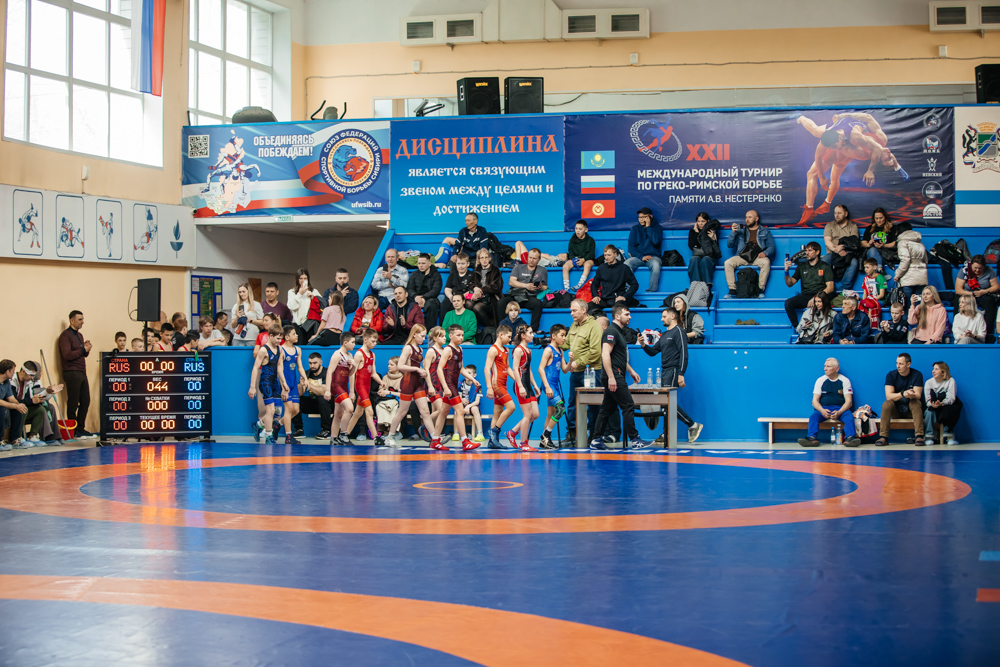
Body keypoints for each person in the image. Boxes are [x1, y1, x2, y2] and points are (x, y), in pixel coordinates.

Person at [795, 112, 908, 224]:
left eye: (835, 146)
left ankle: (820, 206)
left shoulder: (857, 138)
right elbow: (818, 156)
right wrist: (821, 177)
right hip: (847, 137)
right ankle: (801, 118)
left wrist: (871, 170)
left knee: (832, 173)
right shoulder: (828, 137)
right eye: (832, 147)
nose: (835, 148)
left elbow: (880, 149)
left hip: (852, 143)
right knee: (816, 131)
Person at [589, 304, 649, 450]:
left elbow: (619, 357)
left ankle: (596, 439)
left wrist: (631, 371)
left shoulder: (618, 332)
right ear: (617, 316)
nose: (630, 317)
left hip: (615, 373)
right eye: (627, 314)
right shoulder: (611, 331)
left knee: (606, 409)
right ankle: (635, 439)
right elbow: (605, 354)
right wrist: (611, 377)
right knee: (628, 405)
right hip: (614, 375)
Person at [639, 307, 703, 443]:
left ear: (672, 316)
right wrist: (643, 344)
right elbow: (653, 352)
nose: (661, 319)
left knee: (667, 402)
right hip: (665, 371)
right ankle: (667, 433)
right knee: (664, 403)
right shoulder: (664, 335)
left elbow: (684, 353)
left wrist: (681, 374)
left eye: (664, 316)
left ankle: (692, 425)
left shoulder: (679, 331)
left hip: (673, 370)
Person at [383, 326, 441, 449]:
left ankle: (435, 439)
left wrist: (421, 371)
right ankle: (390, 437)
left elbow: (416, 366)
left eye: (425, 336)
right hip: (408, 383)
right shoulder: (408, 348)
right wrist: (417, 369)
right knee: (402, 412)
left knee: (425, 411)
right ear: (414, 334)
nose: (424, 339)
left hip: (417, 383)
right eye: (422, 336)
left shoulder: (420, 349)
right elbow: (400, 366)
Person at [432, 324, 481, 451]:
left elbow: (461, 369)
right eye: (458, 335)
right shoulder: (448, 350)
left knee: (443, 413)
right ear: (451, 336)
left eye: (462, 335)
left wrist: (472, 379)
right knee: (460, 411)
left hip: (452, 384)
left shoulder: (460, 349)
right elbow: (439, 369)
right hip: (449, 385)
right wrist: (445, 387)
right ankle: (465, 441)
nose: (461, 337)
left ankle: (435, 440)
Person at [562, 299, 603, 446]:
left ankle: (594, 434)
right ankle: (572, 433)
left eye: (574, 311)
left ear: (584, 310)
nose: (571, 313)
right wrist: (553, 343)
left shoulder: (594, 326)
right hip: (576, 372)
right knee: (572, 403)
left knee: (593, 405)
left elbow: (596, 352)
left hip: (592, 372)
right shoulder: (574, 325)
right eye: (571, 311)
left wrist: (578, 362)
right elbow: (566, 344)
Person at [798, 357, 860, 447]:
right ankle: (811, 438)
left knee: (849, 417)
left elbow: (849, 402)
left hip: (840, 409)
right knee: (813, 417)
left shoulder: (844, 380)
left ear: (836, 369)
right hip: (823, 408)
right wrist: (822, 411)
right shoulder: (820, 380)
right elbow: (814, 401)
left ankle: (850, 438)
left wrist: (839, 412)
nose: (825, 369)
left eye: (828, 366)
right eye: (825, 366)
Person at [58, 310, 96, 438]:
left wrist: (87, 349)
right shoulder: (65, 335)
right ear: (72, 320)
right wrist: (82, 349)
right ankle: (72, 429)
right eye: (80, 319)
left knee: (85, 400)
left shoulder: (79, 336)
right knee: (73, 402)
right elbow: (67, 355)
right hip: (72, 371)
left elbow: (82, 354)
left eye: (83, 319)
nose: (82, 322)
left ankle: (80, 428)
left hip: (81, 371)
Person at [344, 328, 386, 445]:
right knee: (369, 411)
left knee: (358, 413)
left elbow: (373, 373)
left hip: (367, 387)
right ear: (365, 340)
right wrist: (352, 391)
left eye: (376, 341)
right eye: (373, 341)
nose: (375, 344)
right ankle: (376, 438)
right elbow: (352, 373)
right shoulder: (359, 354)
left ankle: (344, 435)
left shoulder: (372, 354)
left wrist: (381, 382)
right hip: (360, 386)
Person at [484, 325, 521, 450]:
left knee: (497, 413)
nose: (510, 340)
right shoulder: (493, 350)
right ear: (501, 335)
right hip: (496, 384)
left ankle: (492, 441)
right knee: (511, 407)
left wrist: (517, 380)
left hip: (503, 383)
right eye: (508, 337)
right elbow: (486, 369)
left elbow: (508, 367)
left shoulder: (506, 350)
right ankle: (494, 431)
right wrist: (489, 387)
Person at [9, 361, 63, 447]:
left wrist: (46, 393)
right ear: (23, 371)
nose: (32, 378)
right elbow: (14, 400)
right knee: (23, 408)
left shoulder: (28, 382)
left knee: (40, 409)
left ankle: (32, 436)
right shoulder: (12, 380)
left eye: (33, 376)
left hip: (21, 406)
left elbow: (29, 399)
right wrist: (32, 401)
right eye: (31, 375)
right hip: (12, 407)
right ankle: (17, 437)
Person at [876, 352, 924, 447]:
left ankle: (919, 436)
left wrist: (910, 395)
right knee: (887, 403)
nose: (898, 366)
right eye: (897, 363)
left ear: (908, 364)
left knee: (916, 402)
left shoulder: (917, 375)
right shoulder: (891, 375)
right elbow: (889, 396)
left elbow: (918, 395)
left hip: (911, 410)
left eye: (901, 364)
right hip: (896, 410)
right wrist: (902, 394)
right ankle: (883, 437)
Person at [248, 325, 286, 445]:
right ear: (271, 336)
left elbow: (279, 367)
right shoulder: (263, 350)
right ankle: (269, 436)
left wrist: (284, 383)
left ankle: (258, 424)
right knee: (270, 410)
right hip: (266, 382)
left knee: (278, 411)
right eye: (278, 338)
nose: (280, 341)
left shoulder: (279, 349)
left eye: (281, 338)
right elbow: (255, 368)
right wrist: (252, 387)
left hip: (275, 382)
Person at [505, 325, 540, 451]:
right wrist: (520, 386)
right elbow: (515, 369)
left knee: (535, 414)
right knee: (527, 414)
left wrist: (535, 385)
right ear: (523, 336)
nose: (533, 335)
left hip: (528, 385)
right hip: (520, 385)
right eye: (530, 333)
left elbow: (528, 370)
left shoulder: (528, 350)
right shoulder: (518, 350)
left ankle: (512, 432)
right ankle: (523, 443)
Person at [783, 242, 835, 326]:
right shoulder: (801, 266)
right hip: (806, 295)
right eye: (806, 250)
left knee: (820, 304)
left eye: (810, 250)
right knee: (788, 303)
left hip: (821, 296)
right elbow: (790, 283)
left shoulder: (825, 266)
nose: (807, 253)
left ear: (817, 252)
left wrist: (815, 298)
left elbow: (830, 287)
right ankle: (798, 328)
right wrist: (786, 271)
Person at [724, 210, 774, 297]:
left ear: (756, 219)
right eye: (746, 217)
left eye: (750, 217)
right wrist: (733, 233)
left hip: (757, 257)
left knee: (766, 262)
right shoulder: (741, 231)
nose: (747, 219)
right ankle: (732, 290)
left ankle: (760, 290)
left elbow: (771, 247)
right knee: (728, 263)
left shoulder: (765, 231)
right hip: (742, 256)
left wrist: (765, 253)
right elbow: (729, 245)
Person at [537, 324, 569, 449]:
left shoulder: (560, 351)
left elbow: (565, 370)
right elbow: (540, 369)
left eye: (565, 335)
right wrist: (547, 387)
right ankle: (545, 436)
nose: (564, 338)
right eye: (562, 335)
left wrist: (571, 361)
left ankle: (544, 441)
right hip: (549, 384)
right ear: (553, 336)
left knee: (551, 413)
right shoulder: (548, 350)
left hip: (554, 385)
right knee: (561, 409)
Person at [500, 247, 547, 331]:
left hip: (529, 297)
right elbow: (511, 282)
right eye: (530, 257)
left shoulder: (542, 270)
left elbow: (545, 287)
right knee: (501, 302)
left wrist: (541, 287)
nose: (531, 260)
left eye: (534, 258)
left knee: (538, 304)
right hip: (515, 295)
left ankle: (533, 330)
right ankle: (502, 328)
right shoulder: (518, 267)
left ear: (539, 259)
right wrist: (526, 286)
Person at [323, 332, 357, 446]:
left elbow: (350, 374)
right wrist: (327, 390)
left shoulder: (350, 356)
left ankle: (333, 438)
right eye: (352, 342)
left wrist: (354, 366)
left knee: (338, 413)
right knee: (350, 408)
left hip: (343, 386)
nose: (354, 345)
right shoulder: (337, 355)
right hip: (336, 386)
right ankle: (343, 434)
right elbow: (329, 372)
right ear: (345, 342)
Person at [954, 254, 999, 337]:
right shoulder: (964, 270)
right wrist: (970, 294)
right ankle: (959, 333)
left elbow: (996, 286)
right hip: (968, 295)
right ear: (971, 265)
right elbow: (958, 289)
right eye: (975, 268)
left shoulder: (989, 270)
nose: (977, 270)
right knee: (958, 300)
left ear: (984, 267)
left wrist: (984, 291)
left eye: (980, 268)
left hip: (983, 295)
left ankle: (986, 333)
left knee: (990, 301)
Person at [275, 325, 306, 444]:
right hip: (286, 384)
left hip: (293, 383)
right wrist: (283, 385)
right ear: (287, 337)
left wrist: (305, 378)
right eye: (294, 334)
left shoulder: (298, 350)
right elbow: (279, 369)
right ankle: (288, 436)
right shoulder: (281, 350)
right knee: (288, 410)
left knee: (296, 410)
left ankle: (278, 424)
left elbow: (300, 367)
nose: (297, 335)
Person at [292, 352, 333, 439]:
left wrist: (309, 385)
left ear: (321, 362)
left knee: (322, 399)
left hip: (328, 404)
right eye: (310, 363)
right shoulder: (306, 373)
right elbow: (300, 393)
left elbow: (323, 392)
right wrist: (301, 385)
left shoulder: (327, 373)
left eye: (315, 363)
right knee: (295, 399)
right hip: (313, 403)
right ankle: (299, 429)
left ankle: (326, 430)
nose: (312, 366)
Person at [624, 207, 664, 292]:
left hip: (653, 257)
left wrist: (648, 227)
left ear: (650, 217)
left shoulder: (657, 228)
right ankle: (628, 289)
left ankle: (652, 290)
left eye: (644, 217)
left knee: (656, 265)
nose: (641, 219)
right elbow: (631, 247)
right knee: (626, 264)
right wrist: (641, 257)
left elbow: (656, 241)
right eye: (639, 217)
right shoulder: (635, 229)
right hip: (639, 257)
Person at [923, 361, 962, 446]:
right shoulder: (929, 382)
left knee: (949, 410)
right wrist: (933, 405)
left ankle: (949, 436)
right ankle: (929, 437)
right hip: (933, 406)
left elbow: (951, 398)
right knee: (929, 412)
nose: (933, 371)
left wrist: (941, 403)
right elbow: (927, 401)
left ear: (943, 372)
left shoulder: (950, 381)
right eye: (933, 369)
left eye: (936, 369)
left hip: (945, 405)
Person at [823, 204, 861, 290]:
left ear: (846, 214)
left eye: (839, 213)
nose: (837, 215)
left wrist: (843, 249)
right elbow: (827, 242)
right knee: (823, 262)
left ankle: (844, 289)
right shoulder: (829, 225)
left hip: (848, 253)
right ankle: (828, 288)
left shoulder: (853, 226)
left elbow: (854, 243)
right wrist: (837, 250)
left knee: (854, 263)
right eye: (835, 213)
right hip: (832, 253)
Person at [591, 244, 639, 311]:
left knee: (618, 308)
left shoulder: (624, 268)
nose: (606, 257)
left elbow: (634, 284)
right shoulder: (601, 268)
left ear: (615, 254)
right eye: (605, 255)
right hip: (605, 299)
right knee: (589, 306)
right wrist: (595, 296)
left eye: (609, 255)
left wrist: (625, 296)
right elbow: (594, 284)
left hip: (618, 299)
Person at [407, 253, 443, 329]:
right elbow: (409, 289)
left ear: (429, 264)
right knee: (405, 302)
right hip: (415, 297)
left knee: (432, 304)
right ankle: (410, 330)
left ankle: (430, 331)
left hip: (429, 298)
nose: (421, 265)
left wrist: (424, 298)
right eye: (419, 263)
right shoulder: (414, 274)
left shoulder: (436, 275)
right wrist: (415, 297)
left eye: (423, 263)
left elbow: (435, 290)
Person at [470, 247, 504, 327]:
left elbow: (496, 286)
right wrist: (475, 288)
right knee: (468, 304)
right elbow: (472, 283)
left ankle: (490, 328)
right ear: (479, 260)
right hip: (480, 297)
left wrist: (481, 290)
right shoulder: (477, 270)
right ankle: (471, 328)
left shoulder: (495, 270)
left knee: (477, 308)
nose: (484, 260)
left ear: (489, 258)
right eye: (482, 258)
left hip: (492, 299)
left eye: (486, 257)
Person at [894, 230, 928, 304]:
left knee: (907, 305)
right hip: (921, 277)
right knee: (918, 305)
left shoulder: (902, 243)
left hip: (908, 278)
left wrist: (898, 274)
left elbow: (905, 260)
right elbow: (925, 261)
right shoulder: (920, 244)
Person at [287, 269, 323, 340]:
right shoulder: (292, 292)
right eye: (301, 278)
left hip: (311, 323)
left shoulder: (314, 291)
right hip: (298, 324)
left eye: (305, 278)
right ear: (297, 279)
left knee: (310, 344)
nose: (303, 280)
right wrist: (299, 294)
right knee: (299, 343)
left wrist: (313, 298)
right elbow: (292, 307)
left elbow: (322, 307)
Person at [0, 360, 27, 449]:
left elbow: (11, 398)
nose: (14, 373)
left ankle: (14, 438)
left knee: (17, 409)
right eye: (13, 371)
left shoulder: (6, 382)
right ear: (7, 371)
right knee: (1, 408)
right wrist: (15, 406)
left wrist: (19, 405)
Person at [688, 212, 720, 286]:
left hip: (710, 257)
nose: (700, 224)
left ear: (708, 221)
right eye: (698, 221)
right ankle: (695, 285)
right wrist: (696, 233)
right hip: (697, 255)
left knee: (705, 260)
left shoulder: (711, 231)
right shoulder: (692, 232)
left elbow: (716, 250)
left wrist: (713, 239)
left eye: (703, 221)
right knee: (694, 259)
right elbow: (691, 246)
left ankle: (707, 285)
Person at [563, 219, 596, 290]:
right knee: (565, 266)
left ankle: (579, 285)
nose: (577, 231)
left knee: (587, 265)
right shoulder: (572, 240)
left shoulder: (591, 240)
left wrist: (583, 259)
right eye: (576, 228)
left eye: (580, 229)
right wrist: (575, 260)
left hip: (586, 259)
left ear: (586, 230)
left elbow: (591, 254)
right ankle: (566, 289)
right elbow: (570, 253)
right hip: (575, 259)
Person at [458, 365, 484, 442]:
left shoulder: (477, 385)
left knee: (475, 408)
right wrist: (461, 399)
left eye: (469, 373)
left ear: (474, 375)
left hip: (472, 405)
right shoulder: (461, 384)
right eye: (465, 373)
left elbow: (477, 401)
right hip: (463, 405)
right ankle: (456, 433)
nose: (467, 375)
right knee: (457, 410)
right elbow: (458, 398)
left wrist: (468, 406)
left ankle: (480, 434)